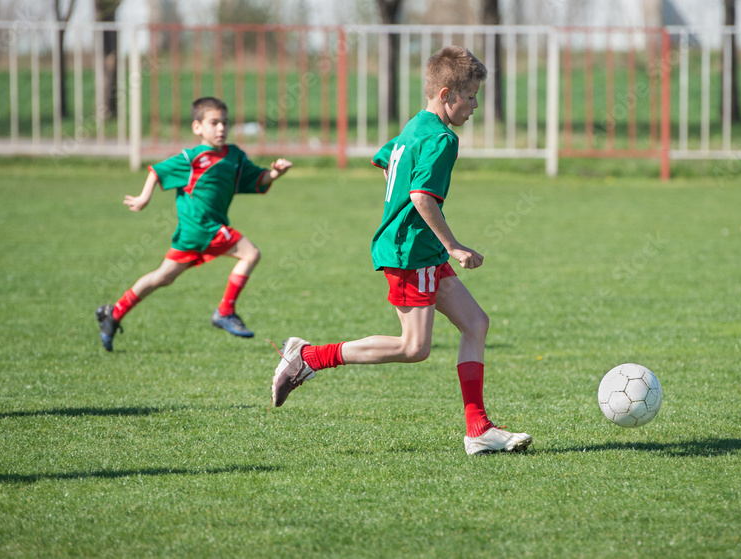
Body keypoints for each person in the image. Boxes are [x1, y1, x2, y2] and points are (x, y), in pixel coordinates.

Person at [270, 47, 532, 455]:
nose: (475, 105)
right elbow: (422, 195)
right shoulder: (443, 139)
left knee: (476, 324)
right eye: (471, 96)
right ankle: (308, 357)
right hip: (412, 251)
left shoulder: (414, 128)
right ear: (447, 94)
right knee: (414, 348)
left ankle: (478, 428)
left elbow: (384, 158)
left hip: (416, 249)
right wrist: (455, 245)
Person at [96, 96, 292, 350]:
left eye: (225, 122)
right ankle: (225, 311)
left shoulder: (235, 156)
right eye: (214, 123)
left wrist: (276, 172)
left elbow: (258, 178)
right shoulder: (192, 159)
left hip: (196, 234)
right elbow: (157, 171)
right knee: (251, 254)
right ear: (197, 127)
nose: (221, 128)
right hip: (202, 227)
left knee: (162, 277)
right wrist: (144, 197)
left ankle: (113, 313)